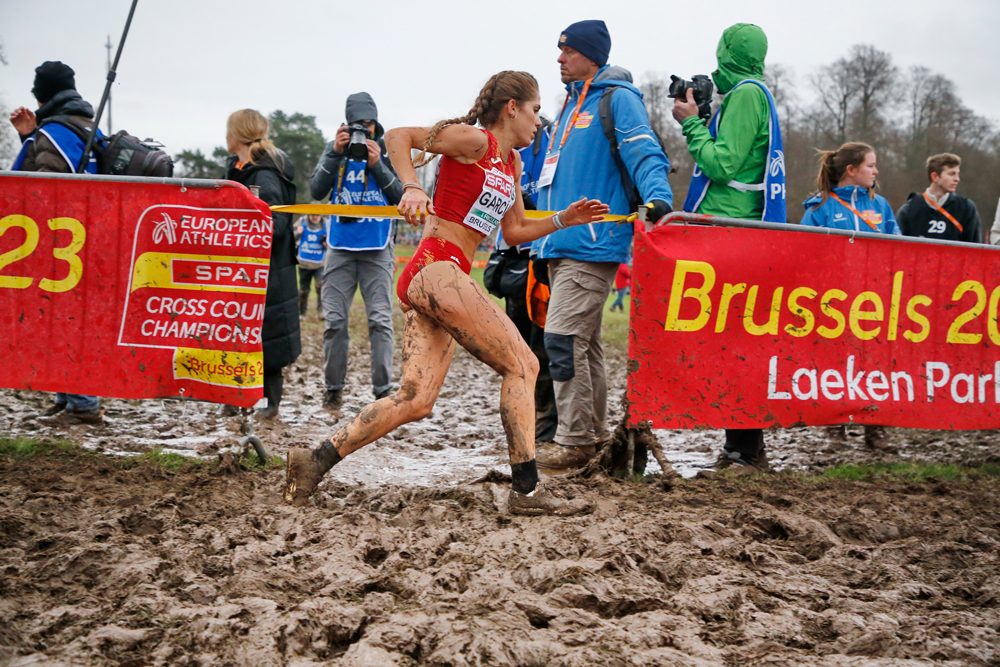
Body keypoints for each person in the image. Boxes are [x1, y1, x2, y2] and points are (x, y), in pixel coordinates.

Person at [284, 71, 610, 515]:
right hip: (436, 268)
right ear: (512, 107)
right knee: (524, 364)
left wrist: (562, 220)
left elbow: (513, 232)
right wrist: (412, 186)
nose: (539, 122)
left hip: (440, 276)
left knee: (415, 401)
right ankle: (527, 492)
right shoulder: (474, 141)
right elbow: (399, 136)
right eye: (535, 111)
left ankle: (313, 461)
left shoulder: (510, 163)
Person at [533, 20, 673, 471]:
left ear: (591, 55)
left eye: (567, 51)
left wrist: (659, 198)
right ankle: (589, 438)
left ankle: (574, 440)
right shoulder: (569, 107)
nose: (559, 58)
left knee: (561, 337)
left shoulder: (618, 99)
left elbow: (644, 152)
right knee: (583, 343)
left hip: (594, 243)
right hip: (559, 244)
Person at [674, 23, 785, 473]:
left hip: (730, 233)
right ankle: (743, 448)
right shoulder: (754, 94)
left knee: (732, 344)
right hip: (739, 229)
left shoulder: (745, 96)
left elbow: (722, 164)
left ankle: (742, 450)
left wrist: (692, 126)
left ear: (726, 53)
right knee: (736, 341)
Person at [11, 61, 102, 424]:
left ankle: (81, 403)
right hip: (85, 243)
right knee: (67, 320)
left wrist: (33, 138)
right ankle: (68, 397)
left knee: (63, 321)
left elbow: (46, 187)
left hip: (60, 245)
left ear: (44, 91)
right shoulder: (84, 126)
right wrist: (28, 137)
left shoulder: (55, 131)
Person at [800, 142, 899, 451]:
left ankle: (876, 429)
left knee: (876, 362)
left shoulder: (880, 204)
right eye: (871, 165)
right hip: (835, 302)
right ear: (851, 170)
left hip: (875, 299)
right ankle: (834, 427)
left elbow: (899, 244)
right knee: (834, 360)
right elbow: (805, 252)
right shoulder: (819, 207)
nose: (876, 170)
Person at [309, 93, 403, 410]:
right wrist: (335, 152)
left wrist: (378, 165)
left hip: (377, 247)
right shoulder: (336, 147)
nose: (364, 129)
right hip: (339, 247)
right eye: (358, 124)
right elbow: (316, 191)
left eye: (369, 123)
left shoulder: (388, 148)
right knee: (334, 322)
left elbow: (402, 196)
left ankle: (383, 390)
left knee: (379, 320)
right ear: (347, 123)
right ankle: (333, 389)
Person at [223, 109, 301, 421]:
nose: (224, 135)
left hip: (268, 272)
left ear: (238, 134)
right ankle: (237, 397)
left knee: (268, 339)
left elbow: (277, 225)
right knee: (239, 335)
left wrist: (244, 227)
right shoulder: (239, 169)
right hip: (244, 269)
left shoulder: (264, 175)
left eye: (227, 130)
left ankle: (270, 405)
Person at [897, 153, 983, 244]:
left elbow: (975, 249)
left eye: (958, 174)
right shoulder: (909, 210)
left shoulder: (966, 209)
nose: (957, 179)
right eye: (951, 174)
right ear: (935, 177)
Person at [295, 212, 327, 317]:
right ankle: (302, 313)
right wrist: (297, 233)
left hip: (320, 262)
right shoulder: (302, 221)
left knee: (320, 287)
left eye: (317, 215)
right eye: (312, 214)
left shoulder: (325, 224)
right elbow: (291, 237)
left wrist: (327, 243)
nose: (315, 217)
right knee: (304, 289)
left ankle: (321, 312)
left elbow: (334, 241)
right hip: (304, 262)